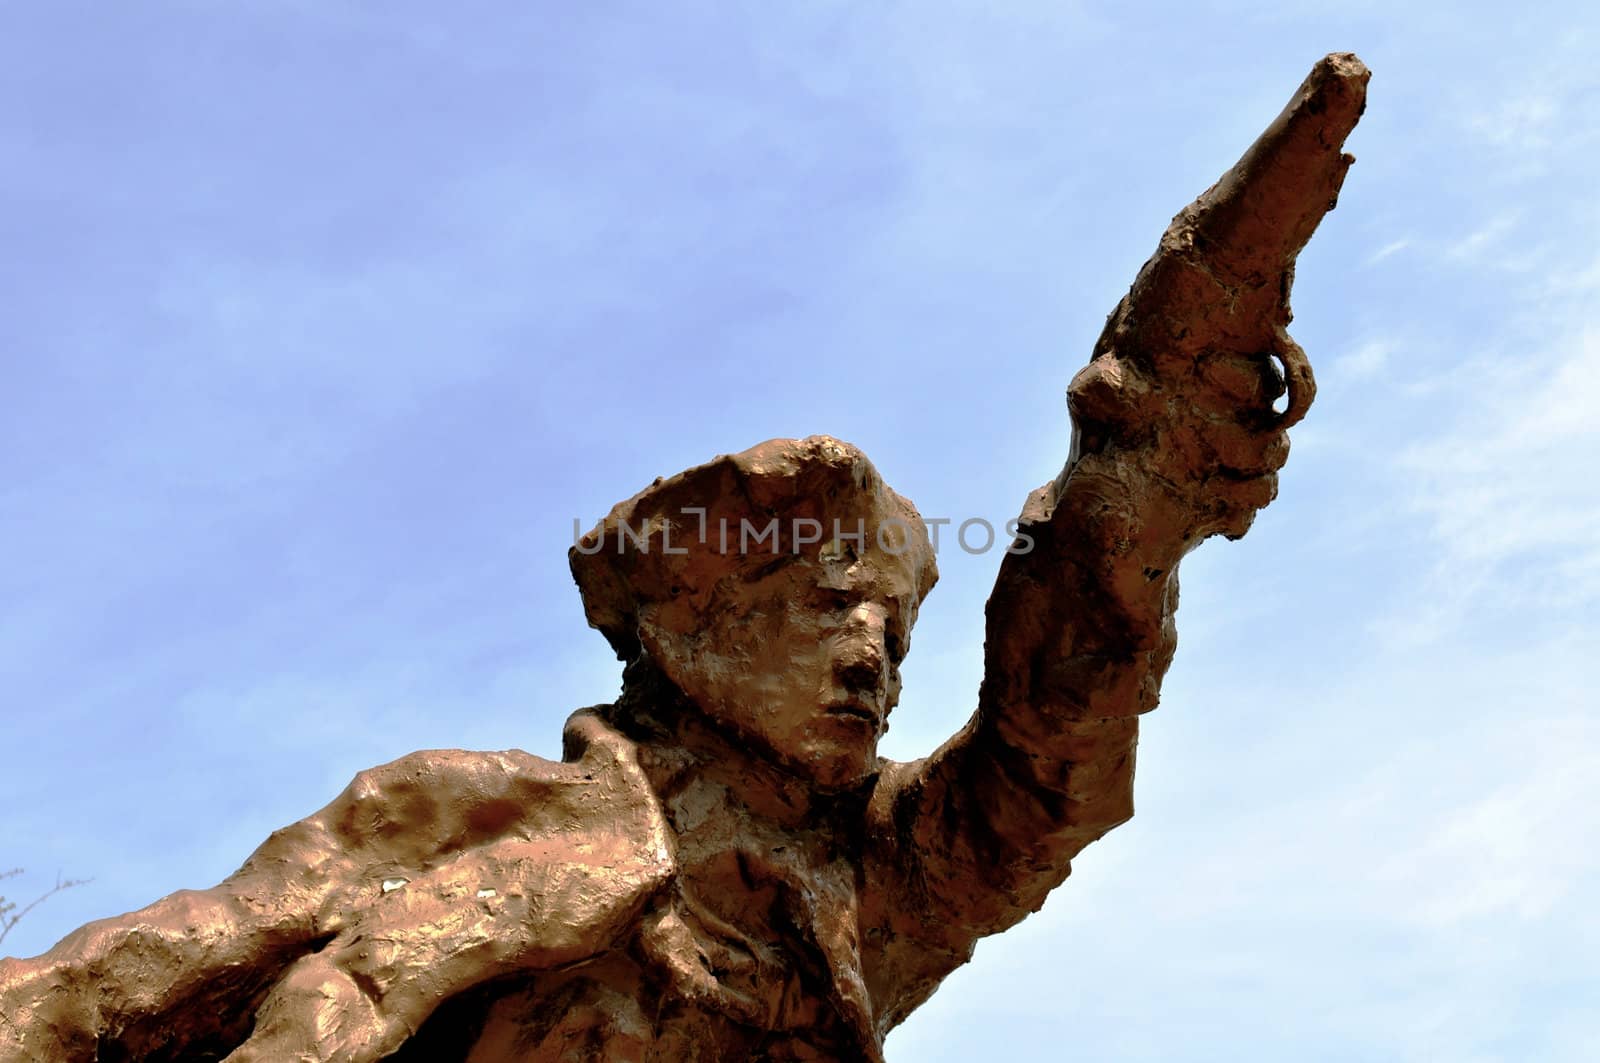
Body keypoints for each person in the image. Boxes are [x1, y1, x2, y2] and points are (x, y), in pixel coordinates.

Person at [0, 52, 1368, 1063]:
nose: (875, 657)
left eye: (896, 626)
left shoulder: (880, 888)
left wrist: (1150, 443)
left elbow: (1053, 723)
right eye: (829, 607)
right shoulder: (475, 815)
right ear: (690, 629)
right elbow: (151, 968)